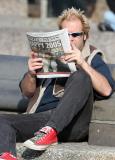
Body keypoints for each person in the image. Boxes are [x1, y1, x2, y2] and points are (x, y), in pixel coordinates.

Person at [0, 8, 114, 160]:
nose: (71, 39)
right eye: (66, 35)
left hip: (72, 123)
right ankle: (7, 157)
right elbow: (27, 92)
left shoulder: (92, 57)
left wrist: (82, 63)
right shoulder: (48, 54)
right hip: (41, 119)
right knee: (2, 120)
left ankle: (52, 130)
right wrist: (31, 73)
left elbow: (106, 90)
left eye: (75, 34)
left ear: (85, 36)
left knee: (81, 75)